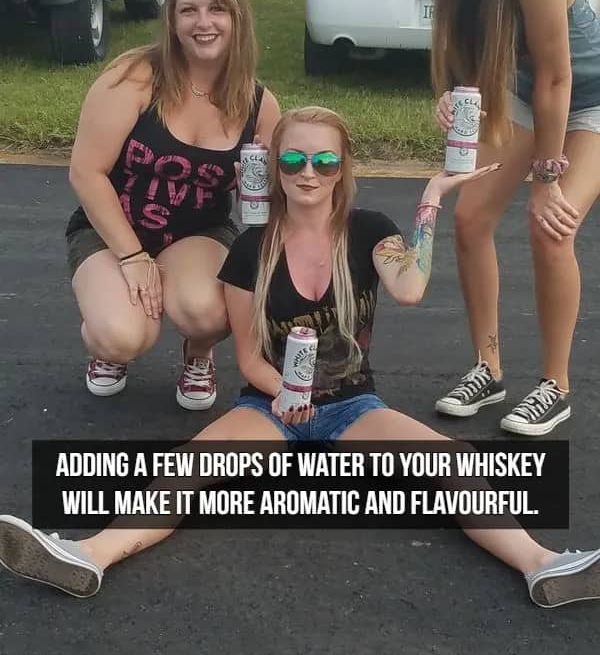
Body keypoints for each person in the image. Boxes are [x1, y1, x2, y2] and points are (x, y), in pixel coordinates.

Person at [1, 107, 599, 609]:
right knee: (186, 473)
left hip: (353, 404)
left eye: (323, 161)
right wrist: (286, 394)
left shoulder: (369, 229)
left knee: (456, 471)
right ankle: (87, 556)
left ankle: (542, 565)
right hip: (270, 404)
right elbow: (248, 354)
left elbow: (411, 288)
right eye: (292, 160)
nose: (307, 172)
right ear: (274, 168)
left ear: (342, 169)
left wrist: (431, 199)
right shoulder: (250, 251)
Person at [431, 0, 600, 436]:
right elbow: (482, 56)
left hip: (590, 102)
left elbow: (559, 76)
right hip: (536, 95)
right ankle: (489, 367)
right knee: (471, 216)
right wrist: (454, 94)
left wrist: (546, 179)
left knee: (551, 226)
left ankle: (555, 386)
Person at [65, 0, 280, 409]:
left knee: (210, 312)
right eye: (189, 10)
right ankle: (106, 345)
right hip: (112, 230)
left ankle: (197, 353)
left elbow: (263, 204)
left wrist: (255, 191)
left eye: (217, 9)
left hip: (197, 232)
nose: (204, 23)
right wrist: (132, 257)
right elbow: (86, 172)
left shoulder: (259, 104)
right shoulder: (135, 78)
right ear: (172, 19)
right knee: (122, 335)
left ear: (237, 17)